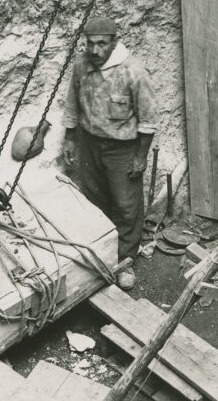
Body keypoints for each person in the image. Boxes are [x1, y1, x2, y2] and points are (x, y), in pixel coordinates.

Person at [62, 15, 157, 291]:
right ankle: (102, 255)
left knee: (126, 206)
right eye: (90, 43)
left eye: (102, 44)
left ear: (114, 42)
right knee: (94, 200)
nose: (95, 50)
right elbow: (72, 103)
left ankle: (125, 261)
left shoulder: (133, 72)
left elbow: (148, 120)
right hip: (89, 143)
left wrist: (140, 156)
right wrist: (70, 139)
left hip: (122, 149)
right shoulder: (81, 66)